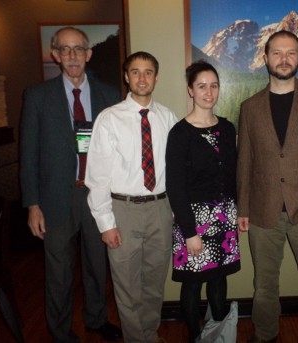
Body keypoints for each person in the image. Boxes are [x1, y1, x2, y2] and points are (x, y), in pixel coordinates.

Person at [20, 26, 122, 342]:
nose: (73, 55)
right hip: (54, 199)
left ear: (88, 54)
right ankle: (60, 332)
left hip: (97, 198)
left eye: (78, 48)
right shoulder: (37, 96)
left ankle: (95, 318)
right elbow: (28, 153)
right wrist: (32, 204)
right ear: (56, 55)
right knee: (59, 273)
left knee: (97, 265)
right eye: (65, 49)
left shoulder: (109, 95)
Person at [237, 30, 298, 343]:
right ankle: (265, 335)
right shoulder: (249, 107)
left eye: (291, 52)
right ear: (265, 58)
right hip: (262, 213)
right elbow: (245, 162)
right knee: (264, 286)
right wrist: (243, 207)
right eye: (277, 53)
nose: (284, 59)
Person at [85, 51, 177, 343]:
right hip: (122, 210)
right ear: (126, 77)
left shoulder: (168, 117)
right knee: (126, 285)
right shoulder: (109, 119)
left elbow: (175, 169)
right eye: (135, 72)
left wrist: (173, 213)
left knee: (153, 283)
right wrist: (105, 222)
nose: (141, 78)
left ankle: (149, 334)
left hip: (161, 208)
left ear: (156, 77)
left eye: (148, 72)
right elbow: (97, 176)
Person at [165, 60, 241, 342]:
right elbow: (175, 187)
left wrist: (238, 211)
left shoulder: (227, 128)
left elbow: (233, 175)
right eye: (202, 86)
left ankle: (219, 334)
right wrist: (189, 233)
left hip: (225, 216)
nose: (209, 92)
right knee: (192, 284)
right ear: (190, 90)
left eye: (214, 86)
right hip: (193, 222)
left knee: (219, 278)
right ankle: (195, 336)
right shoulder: (180, 133)